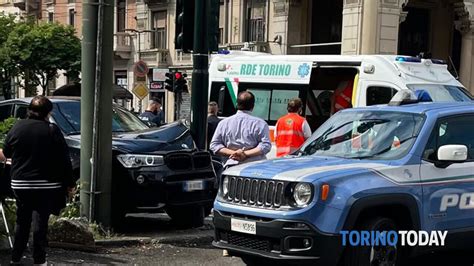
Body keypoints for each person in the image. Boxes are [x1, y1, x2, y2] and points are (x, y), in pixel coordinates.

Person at [1, 96, 75, 265]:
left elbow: (6, 152)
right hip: (47, 185)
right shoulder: (52, 130)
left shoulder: (18, 127)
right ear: (48, 113)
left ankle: (16, 258)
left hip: (20, 183)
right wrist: (70, 184)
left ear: (29, 110)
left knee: (22, 220)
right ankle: (39, 260)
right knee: (40, 223)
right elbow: (64, 160)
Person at [210, 91, 271, 167]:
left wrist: (233, 153)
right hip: (254, 166)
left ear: (237, 104)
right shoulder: (260, 124)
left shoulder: (223, 123)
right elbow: (266, 145)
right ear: (253, 106)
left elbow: (214, 145)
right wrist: (244, 154)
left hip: (231, 166)